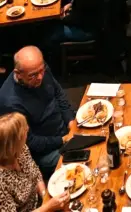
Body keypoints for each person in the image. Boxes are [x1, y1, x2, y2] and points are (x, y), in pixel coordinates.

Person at [0, 47, 75, 176]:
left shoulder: (40, 68)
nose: (40, 77)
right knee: (83, 159)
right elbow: (31, 142)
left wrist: (70, 120)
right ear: (18, 74)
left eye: (42, 70)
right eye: (33, 75)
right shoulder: (10, 102)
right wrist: (63, 139)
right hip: (46, 150)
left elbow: (59, 94)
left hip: (64, 126)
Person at [0, 112, 69, 212]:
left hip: (41, 204)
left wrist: (45, 195)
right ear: (12, 145)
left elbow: (35, 173)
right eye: (24, 130)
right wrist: (48, 207)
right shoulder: (1, 182)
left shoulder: (21, 150)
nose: (27, 128)